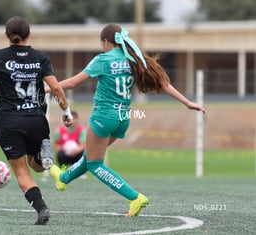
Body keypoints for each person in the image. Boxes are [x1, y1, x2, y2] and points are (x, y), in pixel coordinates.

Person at [48, 24, 207, 217]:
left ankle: (134, 197)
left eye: (102, 44)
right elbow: (163, 83)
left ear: (106, 42)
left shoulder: (103, 59)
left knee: (95, 164)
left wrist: (48, 88)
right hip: (123, 118)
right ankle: (63, 179)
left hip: (103, 117)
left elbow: (72, 83)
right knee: (91, 156)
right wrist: (187, 102)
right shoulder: (134, 59)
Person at [0, 16, 73, 225]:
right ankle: (44, 153)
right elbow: (57, 88)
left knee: (22, 170)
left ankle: (41, 209)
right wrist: (66, 111)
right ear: (29, 34)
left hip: (7, 120)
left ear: (6, 35)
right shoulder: (40, 57)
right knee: (37, 166)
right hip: (36, 118)